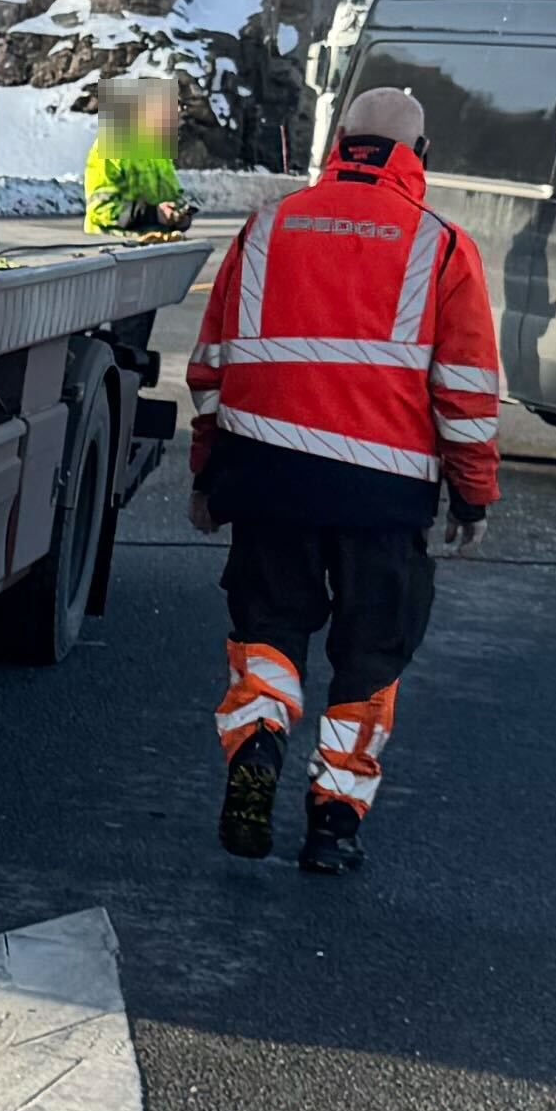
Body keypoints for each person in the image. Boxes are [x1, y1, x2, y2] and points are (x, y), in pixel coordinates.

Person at [184, 81, 500, 878]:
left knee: (270, 627)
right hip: (382, 495)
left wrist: (209, 477)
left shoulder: (265, 228)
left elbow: (212, 369)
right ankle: (333, 823)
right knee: (370, 655)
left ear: (340, 145)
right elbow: (465, 393)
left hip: (267, 476)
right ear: (416, 157)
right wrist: (472, 496)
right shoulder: (442, 246)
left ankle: (259, 740)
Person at [82, 69, 194, 237]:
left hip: (152, 245)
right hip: (114, 249)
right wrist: (153, 214)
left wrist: (180, 215)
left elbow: (173, 196)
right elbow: (101, 210)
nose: (177, 116)